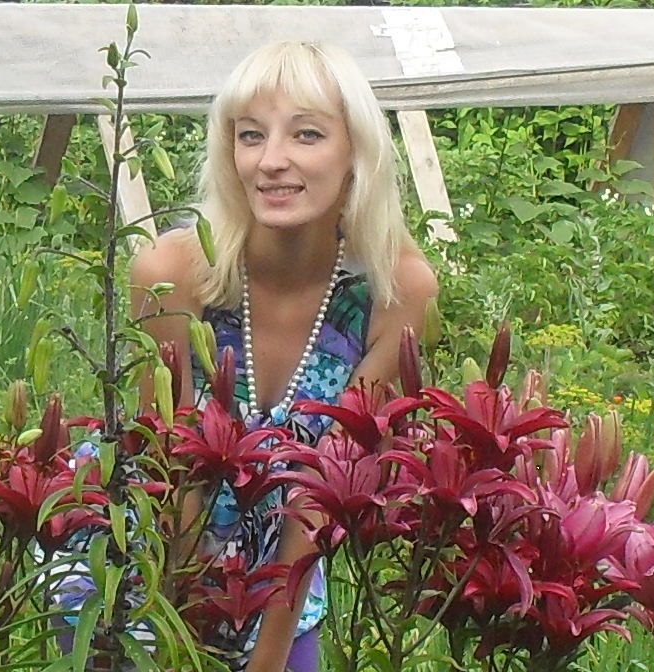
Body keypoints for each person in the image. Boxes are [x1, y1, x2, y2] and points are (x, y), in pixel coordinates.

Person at [130, 40, 439, 672]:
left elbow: (327, 486)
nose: (271, 160)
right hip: (144, 567)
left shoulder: (397, 291)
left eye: (306, 134)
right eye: (251, 135)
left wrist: (268, 655)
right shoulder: (172, 273)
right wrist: (189, 637)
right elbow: (164, 464)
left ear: (356, 152)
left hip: (286, 580)